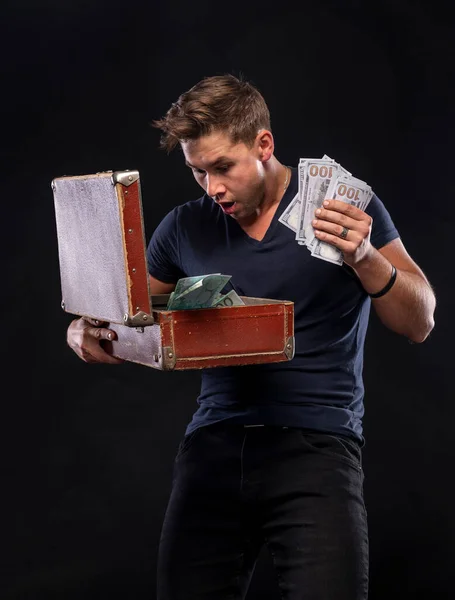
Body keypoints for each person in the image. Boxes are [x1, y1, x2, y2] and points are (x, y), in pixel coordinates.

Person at [66, 74, 436, 599]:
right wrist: (86, 325)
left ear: (264, 144)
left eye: (223, 168)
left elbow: (420, 321)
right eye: (198, 172)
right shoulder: (183, 227)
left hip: (318, 448)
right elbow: (126, 315)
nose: (212, 187)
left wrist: (366, 258)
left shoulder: (339, 208)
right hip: (214, 445)